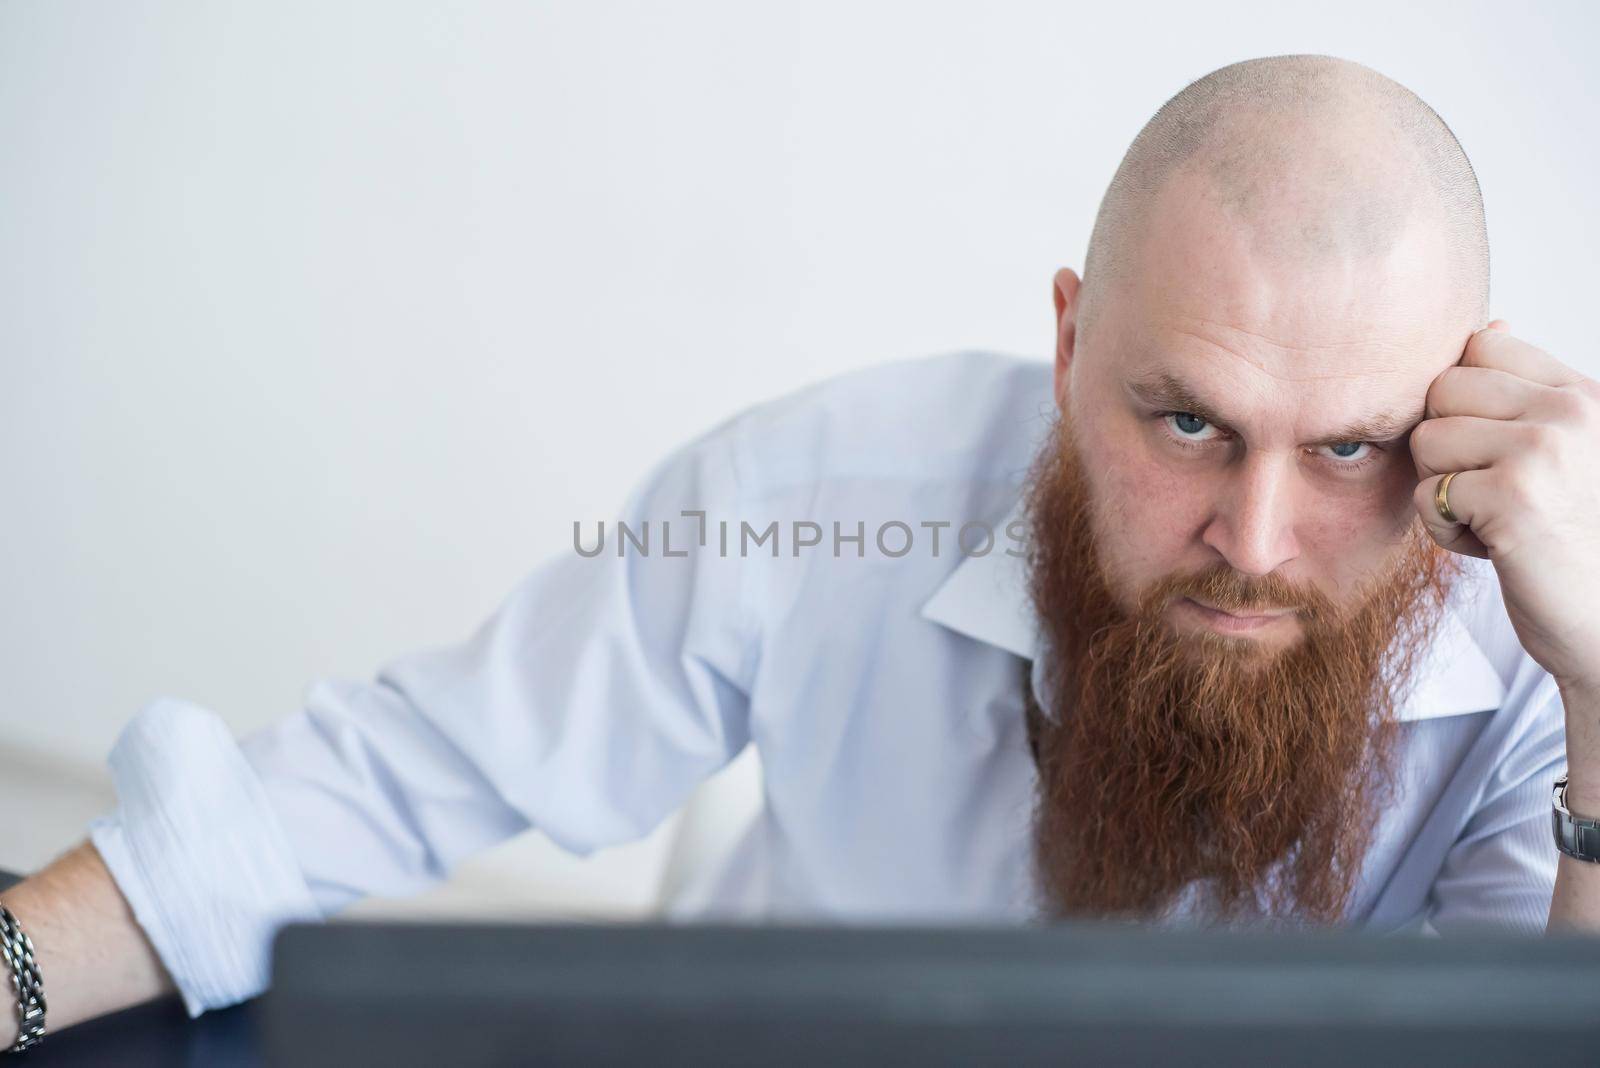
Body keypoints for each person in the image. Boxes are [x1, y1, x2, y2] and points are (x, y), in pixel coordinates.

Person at [5, 52, 1600, 1052]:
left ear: (1449, 423)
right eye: (1185, 422)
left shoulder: (1539, 657)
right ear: (1065, 343)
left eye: (1347, 450)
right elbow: (384, 782)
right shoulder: (821, 490)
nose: (1253, 544)